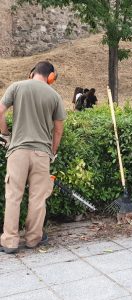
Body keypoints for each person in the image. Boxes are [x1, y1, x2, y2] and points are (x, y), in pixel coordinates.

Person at [0, 61, 66, 254]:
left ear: (31, 73)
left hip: (18, 151)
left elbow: (0, 111)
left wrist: (5, 134)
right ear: (51, 77)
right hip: (42, 155)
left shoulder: (17, 87)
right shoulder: (54, 96)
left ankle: (10, 242)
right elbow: (58, 130)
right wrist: (52, 152)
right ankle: (33, 239)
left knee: (13, 197)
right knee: (38, 198)